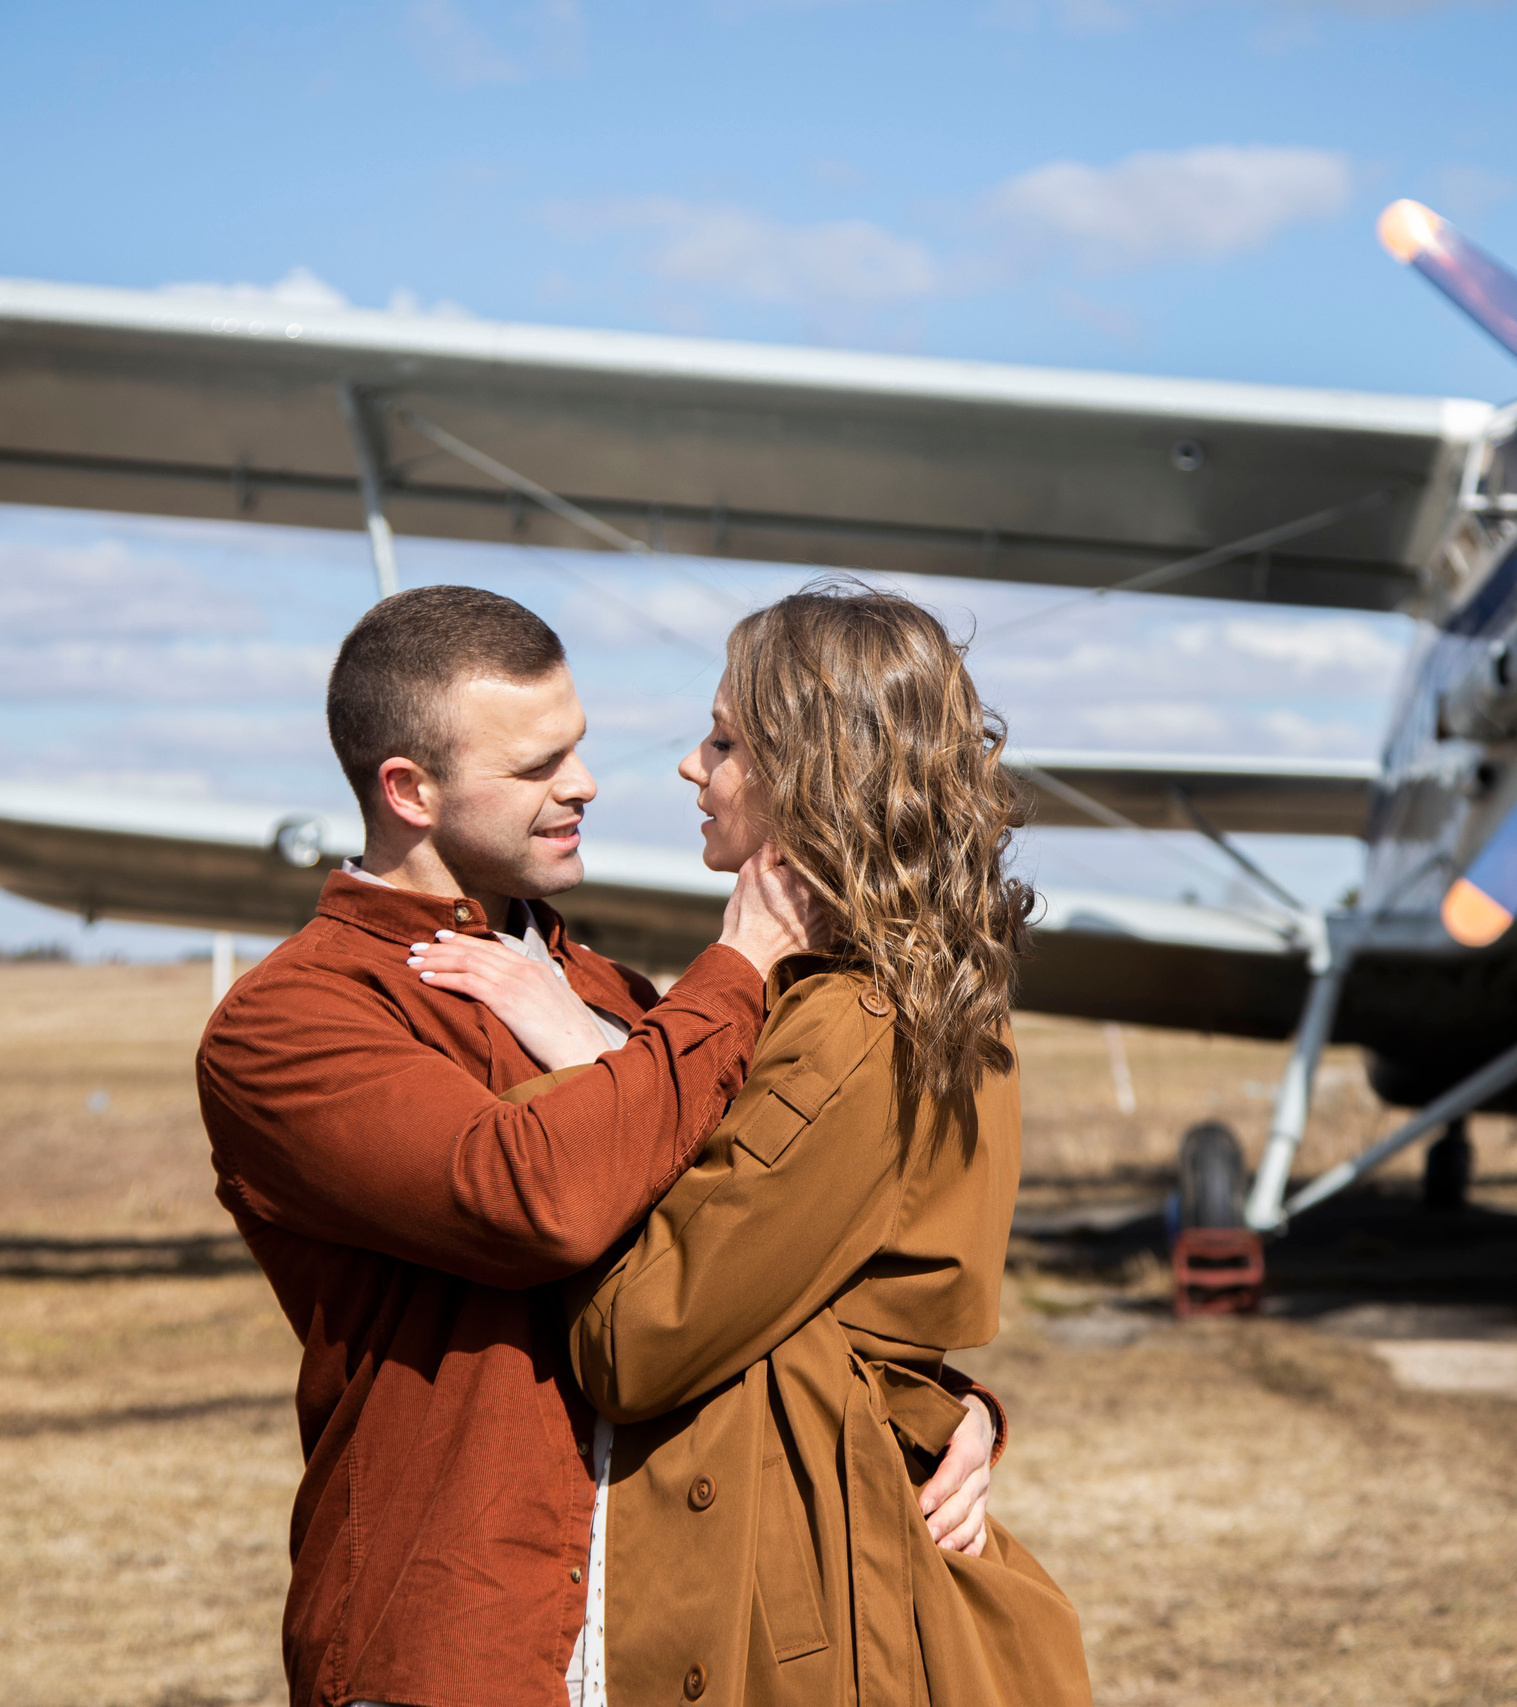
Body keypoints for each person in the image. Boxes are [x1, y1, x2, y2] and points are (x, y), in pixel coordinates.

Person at [197, 585, 999, 1707]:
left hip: (668, 1630)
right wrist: (733, 972)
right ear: (408, 790)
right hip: (454, 1638)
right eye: (534, 767)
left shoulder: (619, 999)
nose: (582, 785)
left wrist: (936, 1407)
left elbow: (759, 1249)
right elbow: (534, 1200)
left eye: (575, 749)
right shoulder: (292, 1021)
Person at [416, 584, 1090, 1706]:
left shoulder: (849, 1023)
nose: (691, 766)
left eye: (725, 741)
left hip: (801, 1595)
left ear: (808, 772)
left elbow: (638, 1340)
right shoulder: (924, 993)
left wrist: (581, 1066)